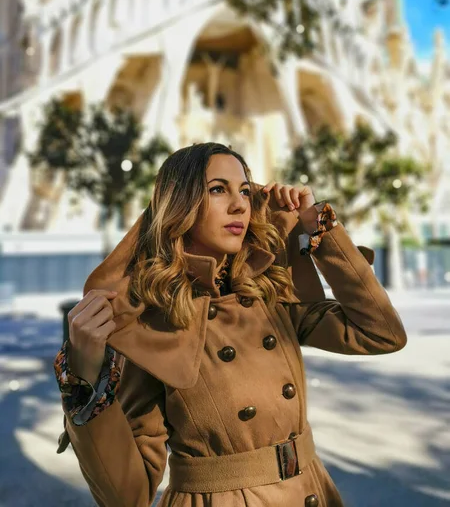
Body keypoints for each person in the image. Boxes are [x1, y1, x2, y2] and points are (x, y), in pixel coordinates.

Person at [53, 142, 407, 507]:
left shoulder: (269, 292)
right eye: (218, 189)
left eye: (244, 191)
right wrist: (84, 376)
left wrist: (319, 225)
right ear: (179, 205)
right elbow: (128, 495)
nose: (239, 204)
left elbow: (381, 333)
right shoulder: (151, 322)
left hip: (309, 492)